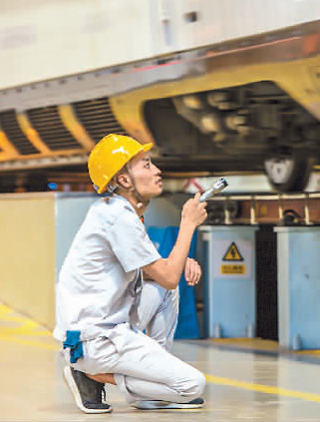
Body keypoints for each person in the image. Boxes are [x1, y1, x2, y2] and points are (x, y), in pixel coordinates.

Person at [53, 133, 208, 413]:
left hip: (108, 327)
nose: (157, 171)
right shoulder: (117, 218)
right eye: (147, 165)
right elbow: (169, 275)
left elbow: (159, 275)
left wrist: (177, 260)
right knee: (191, 386)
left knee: (165, 290)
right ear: (124, 180)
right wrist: (188, 223)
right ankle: (91, 375)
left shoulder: (120, 212)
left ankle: (147, 391)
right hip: (95, 341)